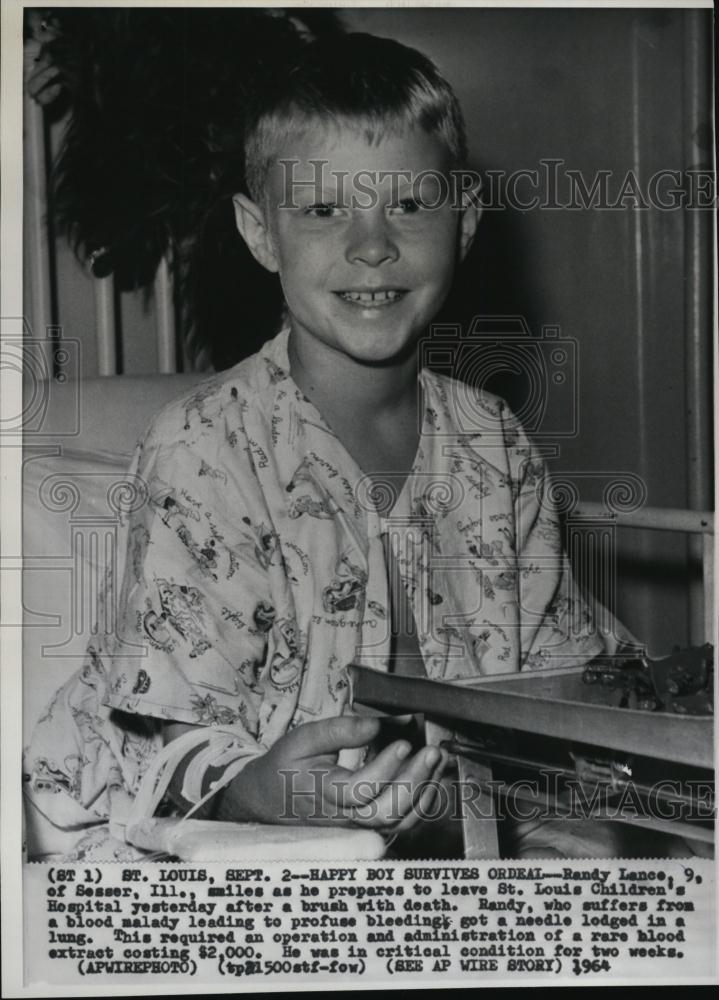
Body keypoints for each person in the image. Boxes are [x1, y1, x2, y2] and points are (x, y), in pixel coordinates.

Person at [24, 32, 637, 862]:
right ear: (259, 232)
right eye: (321, 210)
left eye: (410, 205)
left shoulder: (496, 446)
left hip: (436, 827)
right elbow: (168, 746)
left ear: (462, 224)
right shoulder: (204, 450)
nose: (371, 244)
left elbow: (560, 686)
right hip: (184, 825)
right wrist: (258, 791)